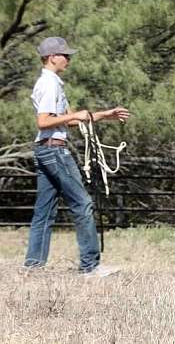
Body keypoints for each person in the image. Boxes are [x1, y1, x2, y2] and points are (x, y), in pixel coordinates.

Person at [25, 36, 130, 277]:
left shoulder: (51, 83)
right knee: (83, 204)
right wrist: (78, 115)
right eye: (65, 55)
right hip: (55, 151)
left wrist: (106, 114)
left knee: (44, 211)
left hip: (44, 150)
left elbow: (71, 119)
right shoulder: (50, 85)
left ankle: (32, 266)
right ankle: (90, 266)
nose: (68, 59)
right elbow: (44, 121)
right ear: (52, 57)